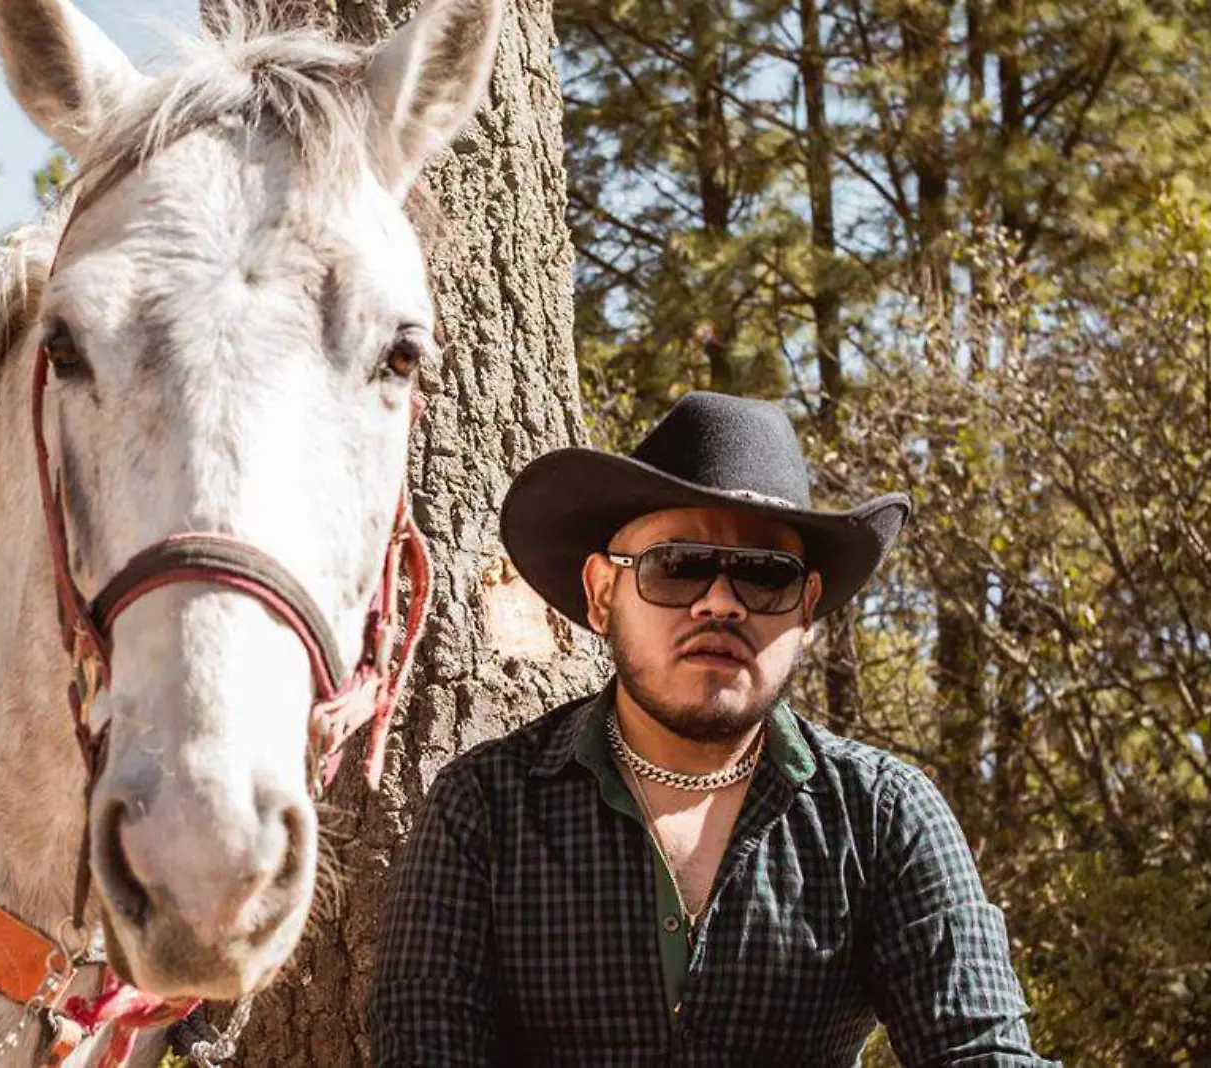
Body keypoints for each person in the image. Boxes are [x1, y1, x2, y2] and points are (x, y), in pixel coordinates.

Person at [366, 391, 1053, 1065]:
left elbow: (981, 1051)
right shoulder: (485, 809)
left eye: (765, 576)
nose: (720, 602)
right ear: (604, 595)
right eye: (680, 566)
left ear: (805, 610)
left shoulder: (883, 816)